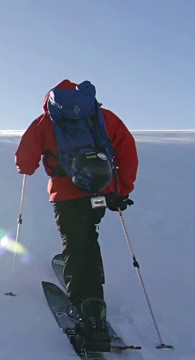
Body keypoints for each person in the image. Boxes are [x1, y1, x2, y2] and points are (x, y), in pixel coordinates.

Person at [15, 79, 138, 349]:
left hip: (67, 195)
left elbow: (24, 160)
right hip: (101, 190)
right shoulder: (102, 117)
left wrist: (26, 168)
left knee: (77, 243)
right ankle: (93, 281)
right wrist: (122, 189)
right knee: (87, 237)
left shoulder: (45, 122)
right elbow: (127, 150)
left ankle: (90, 316)